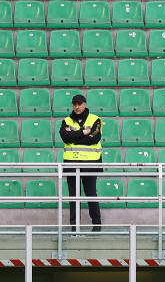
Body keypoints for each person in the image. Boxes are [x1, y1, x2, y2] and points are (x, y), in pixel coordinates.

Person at [58, 94, 102, 232]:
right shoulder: (66, 121)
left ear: (85, 104)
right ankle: (74, 227)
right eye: (75, 104)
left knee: (91, 194)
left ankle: (97, 224)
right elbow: (65, 137)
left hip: (90, 163)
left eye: (79, 104)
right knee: (74, 196)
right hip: (72, 163)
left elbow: (94, 139)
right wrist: (84, 132)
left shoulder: (95, 119)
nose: (77, 107)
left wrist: (74, 137)